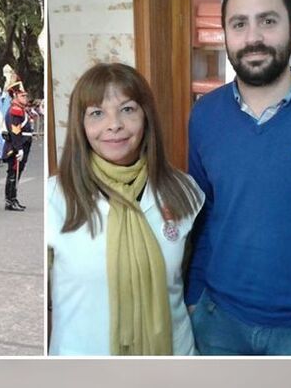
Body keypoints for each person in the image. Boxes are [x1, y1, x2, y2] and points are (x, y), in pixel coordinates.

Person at [186, 0, 291, 355]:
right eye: (239, 24)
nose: (253, 38)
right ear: (226, 35)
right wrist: (194, 295)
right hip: (219, 323)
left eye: (268, 21)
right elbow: (205, 214)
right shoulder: (204, 116)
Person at [47, 63, 203, 355]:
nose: (113, 124)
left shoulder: (186, 191)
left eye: (127, 109)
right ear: (81, 125)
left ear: (146, 117)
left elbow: (189, 275)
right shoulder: (54, 199)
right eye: (97, 113)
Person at [2, 77, 32, 211]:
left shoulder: (20, 109)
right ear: (14, 96)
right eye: (22, 95)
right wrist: (19, 149)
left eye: (25, 95)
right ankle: (10, 200)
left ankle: (12, 199)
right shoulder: (16, 110)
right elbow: (15, 132)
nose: (25, 98)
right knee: (13, 174)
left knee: (15, 174)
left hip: (21, 144)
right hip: (17, 146)